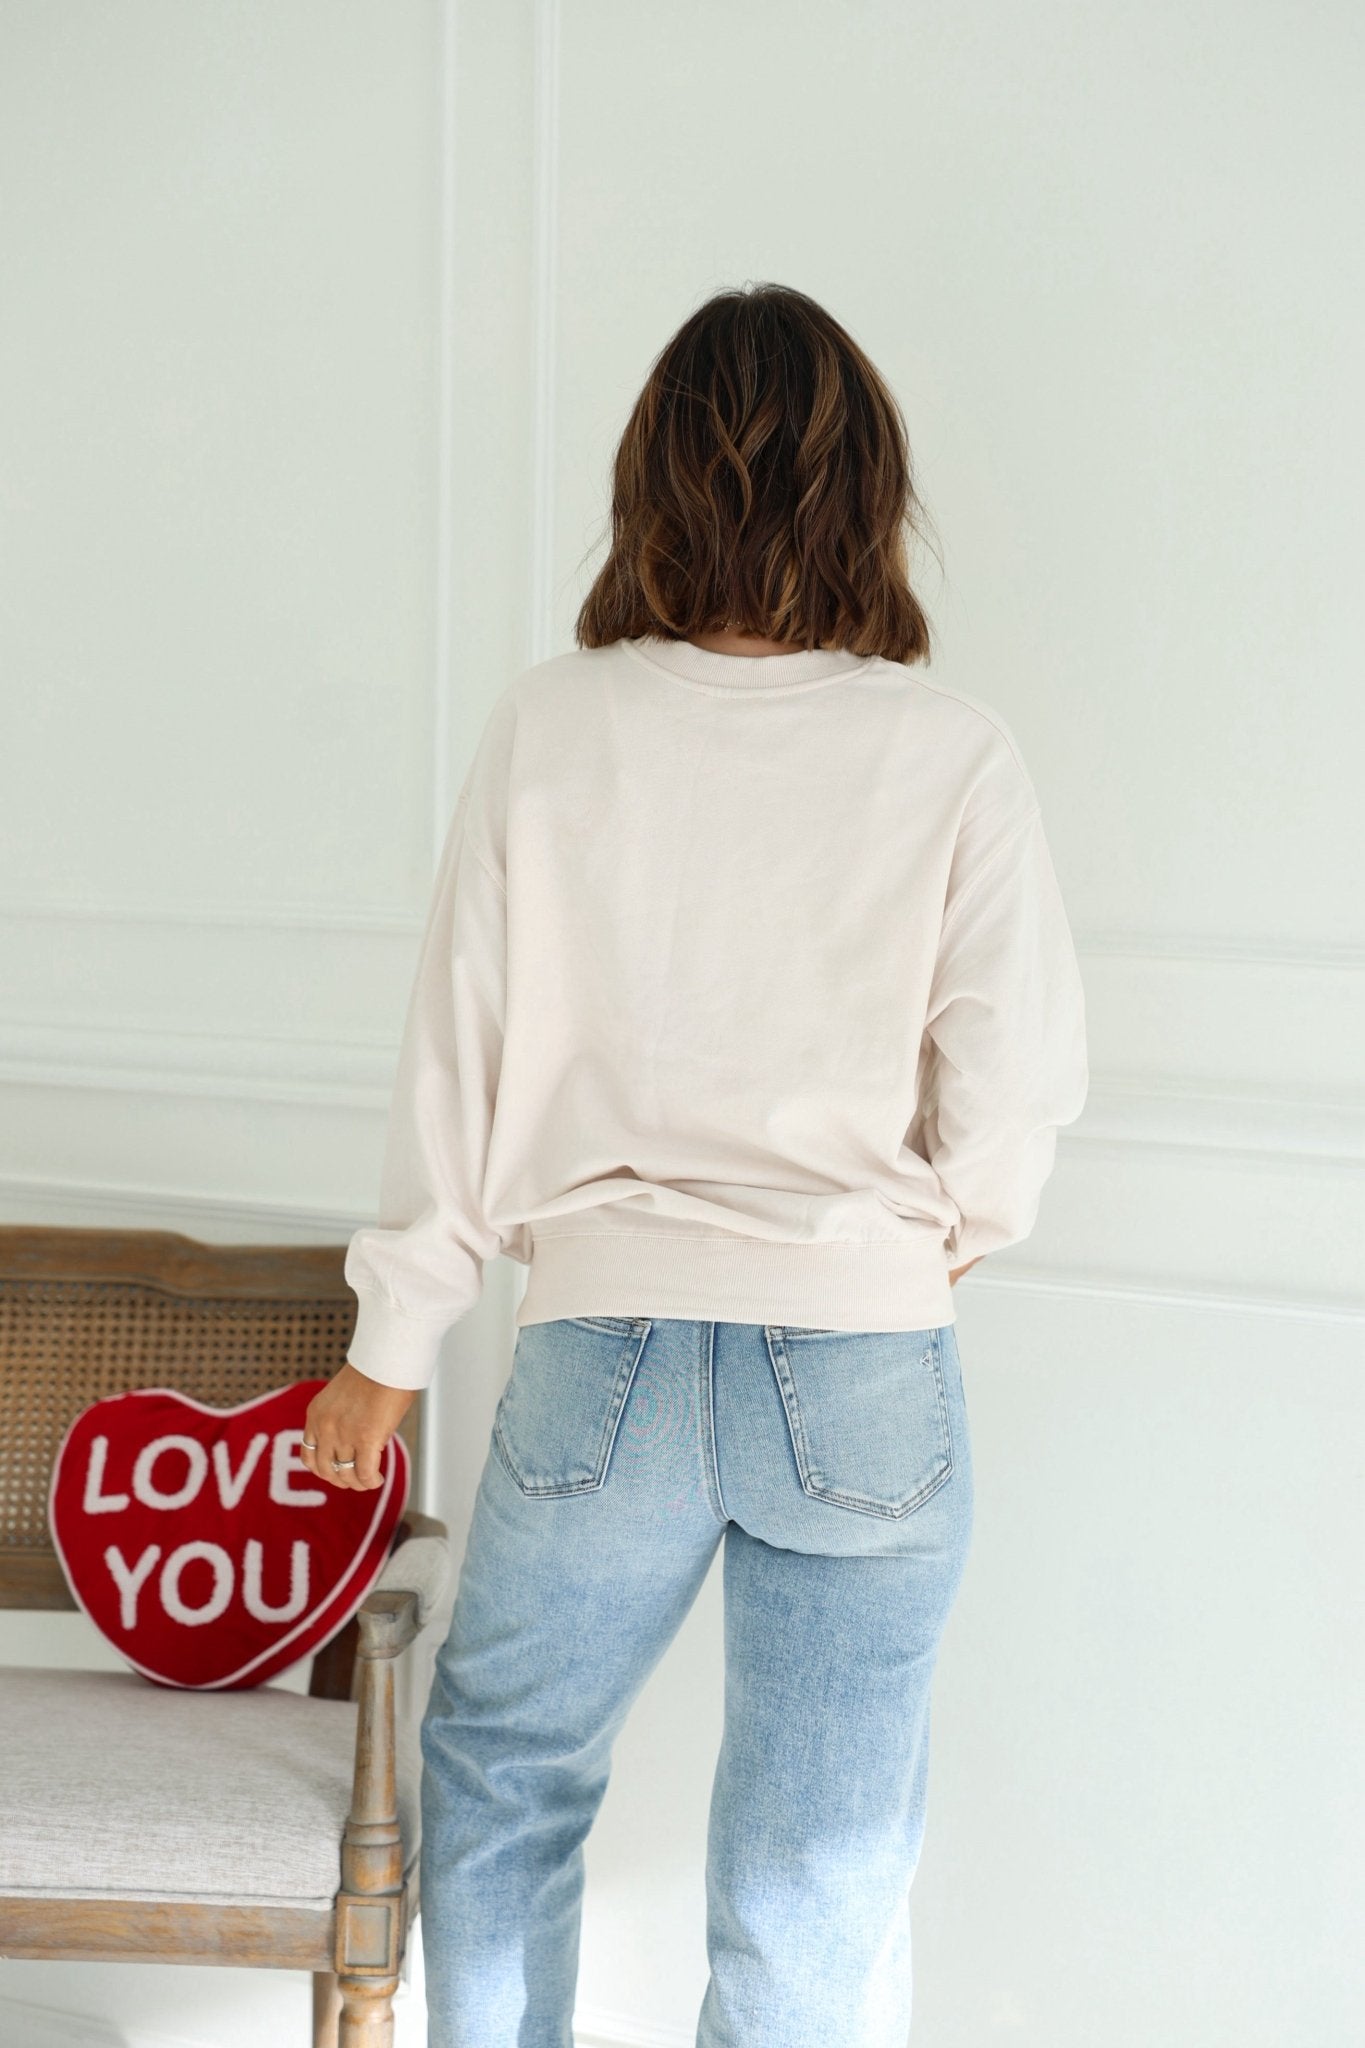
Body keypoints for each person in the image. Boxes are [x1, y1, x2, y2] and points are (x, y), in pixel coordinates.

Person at [300, 282, 1089, 2047]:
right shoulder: (948, 751)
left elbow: (458, 1053)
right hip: (867, 1368)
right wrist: (935, 1235)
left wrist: (390, 1347)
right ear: (869, 493)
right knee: (813, 1871)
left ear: (647, 483)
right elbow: (1014, 1079)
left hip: (608, 1362)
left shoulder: (555, 726)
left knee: (507, 1777)